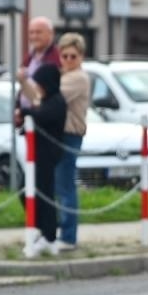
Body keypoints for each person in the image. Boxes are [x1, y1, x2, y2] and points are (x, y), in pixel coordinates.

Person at [19, 59, 65, 257]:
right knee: (28, 193)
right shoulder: (46, 100)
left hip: (47, 155)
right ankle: (43, 231)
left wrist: (25, 111)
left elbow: (43, 116)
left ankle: (49, 236)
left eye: (39, 83)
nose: (37, 87)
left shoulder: (57, 102)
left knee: (44, 195)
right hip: (37, 154)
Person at [53, 32, 90, 250]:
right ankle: (61, 231)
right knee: (59, 186)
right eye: (64, 56)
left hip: (70, 134)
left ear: (81, 57)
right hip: (59, 135)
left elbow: (53, 97)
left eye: (72, 56)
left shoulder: (78, 78)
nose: (68, 60)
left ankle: (68, 235)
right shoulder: (64, 75)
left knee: (66, 186)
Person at [15, 16, 59, 121]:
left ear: (50, 33)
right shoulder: (29, 57)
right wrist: (18, 107)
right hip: (27, 119)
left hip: (44, 120)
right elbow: (22, 88)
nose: (34, 36)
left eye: (39, 32)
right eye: (31, 32)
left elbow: (45, 95)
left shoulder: (56, 58)